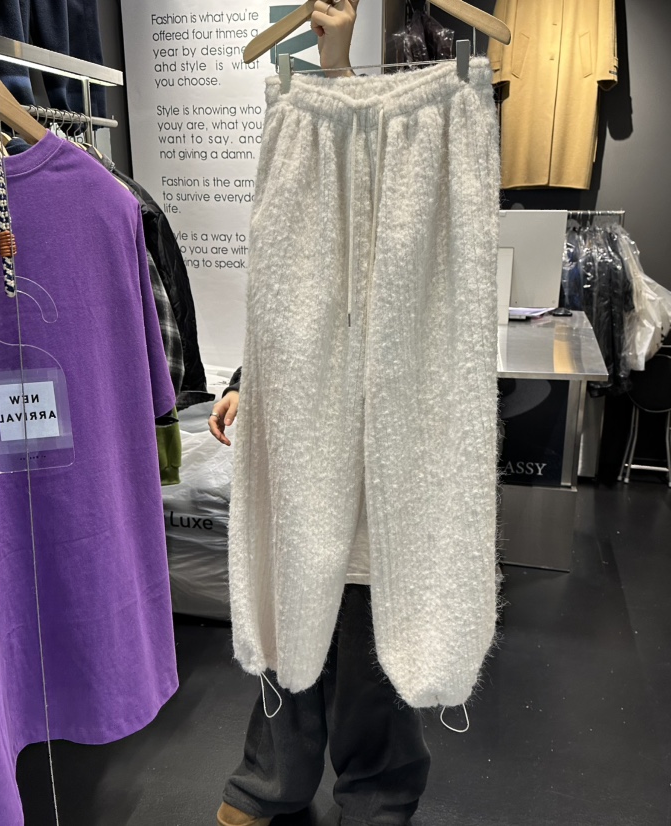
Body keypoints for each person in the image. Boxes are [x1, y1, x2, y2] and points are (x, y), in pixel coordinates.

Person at [208, 4, 431, 825]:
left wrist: (338, 60)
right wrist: (250, 379)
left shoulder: (414, 166)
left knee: (370, 629)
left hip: (387, 423)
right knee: (289, 610)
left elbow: (368, 208)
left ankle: (379, 794)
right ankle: (271, 780)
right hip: (307, 419)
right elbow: (294, 282)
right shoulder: (301, 151)